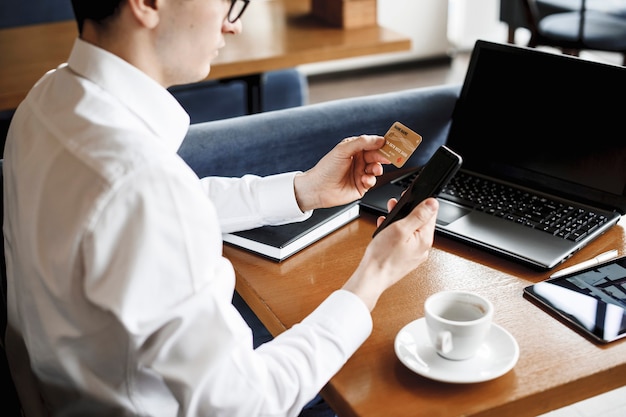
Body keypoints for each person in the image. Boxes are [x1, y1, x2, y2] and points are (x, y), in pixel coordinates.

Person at [3, 1, 439, 416]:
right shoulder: (144, 186)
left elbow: (154, 214)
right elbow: (246, 405)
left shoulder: (46, 101)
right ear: (147, 3)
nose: (234, 24)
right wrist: (374, 275)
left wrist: (304, 189)